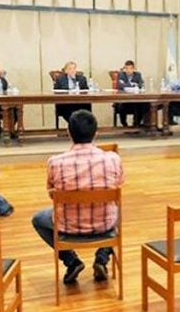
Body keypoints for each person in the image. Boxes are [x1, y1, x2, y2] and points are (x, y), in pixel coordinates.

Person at [31, 110, 125, 284]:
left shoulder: (55, 162)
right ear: (96, 133)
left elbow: (52, 195)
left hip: (68, 227)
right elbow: (118, 186)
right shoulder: (113, 159)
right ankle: (102, 258)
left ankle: (71, 261)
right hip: (104, 225)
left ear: (69, 133)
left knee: (38, 219)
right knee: (117, 208)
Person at [115, 60, 148, 127]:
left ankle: (136, 124)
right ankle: (124, 124)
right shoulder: (121, 74)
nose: (128, 70)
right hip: (123, 100)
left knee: (141, 105)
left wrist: (126, 84)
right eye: (126, 68)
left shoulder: (138, 75)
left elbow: (141, 84)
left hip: (135, 99)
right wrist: (132, 84)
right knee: (122, 107)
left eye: (130, 68)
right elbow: (119, 85)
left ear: (133, 69)